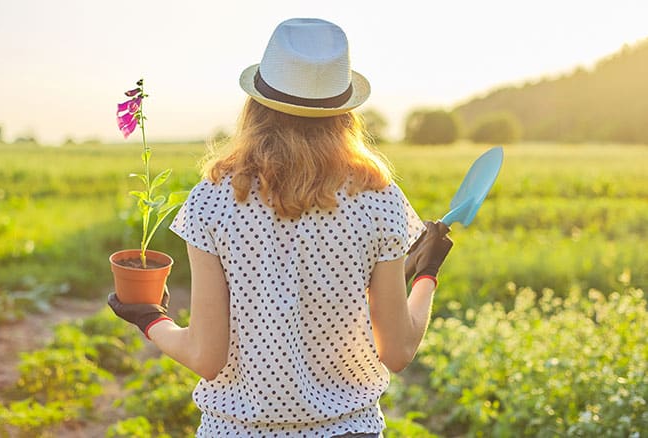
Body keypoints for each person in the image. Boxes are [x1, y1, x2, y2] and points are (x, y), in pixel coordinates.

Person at [108, 17, 452, 437]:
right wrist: (427, 273)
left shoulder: (213, 198)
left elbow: (206, 356)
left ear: (256, 104)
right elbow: (396, 351)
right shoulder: (380, 198)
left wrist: (149, 317)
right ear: (344, 113)